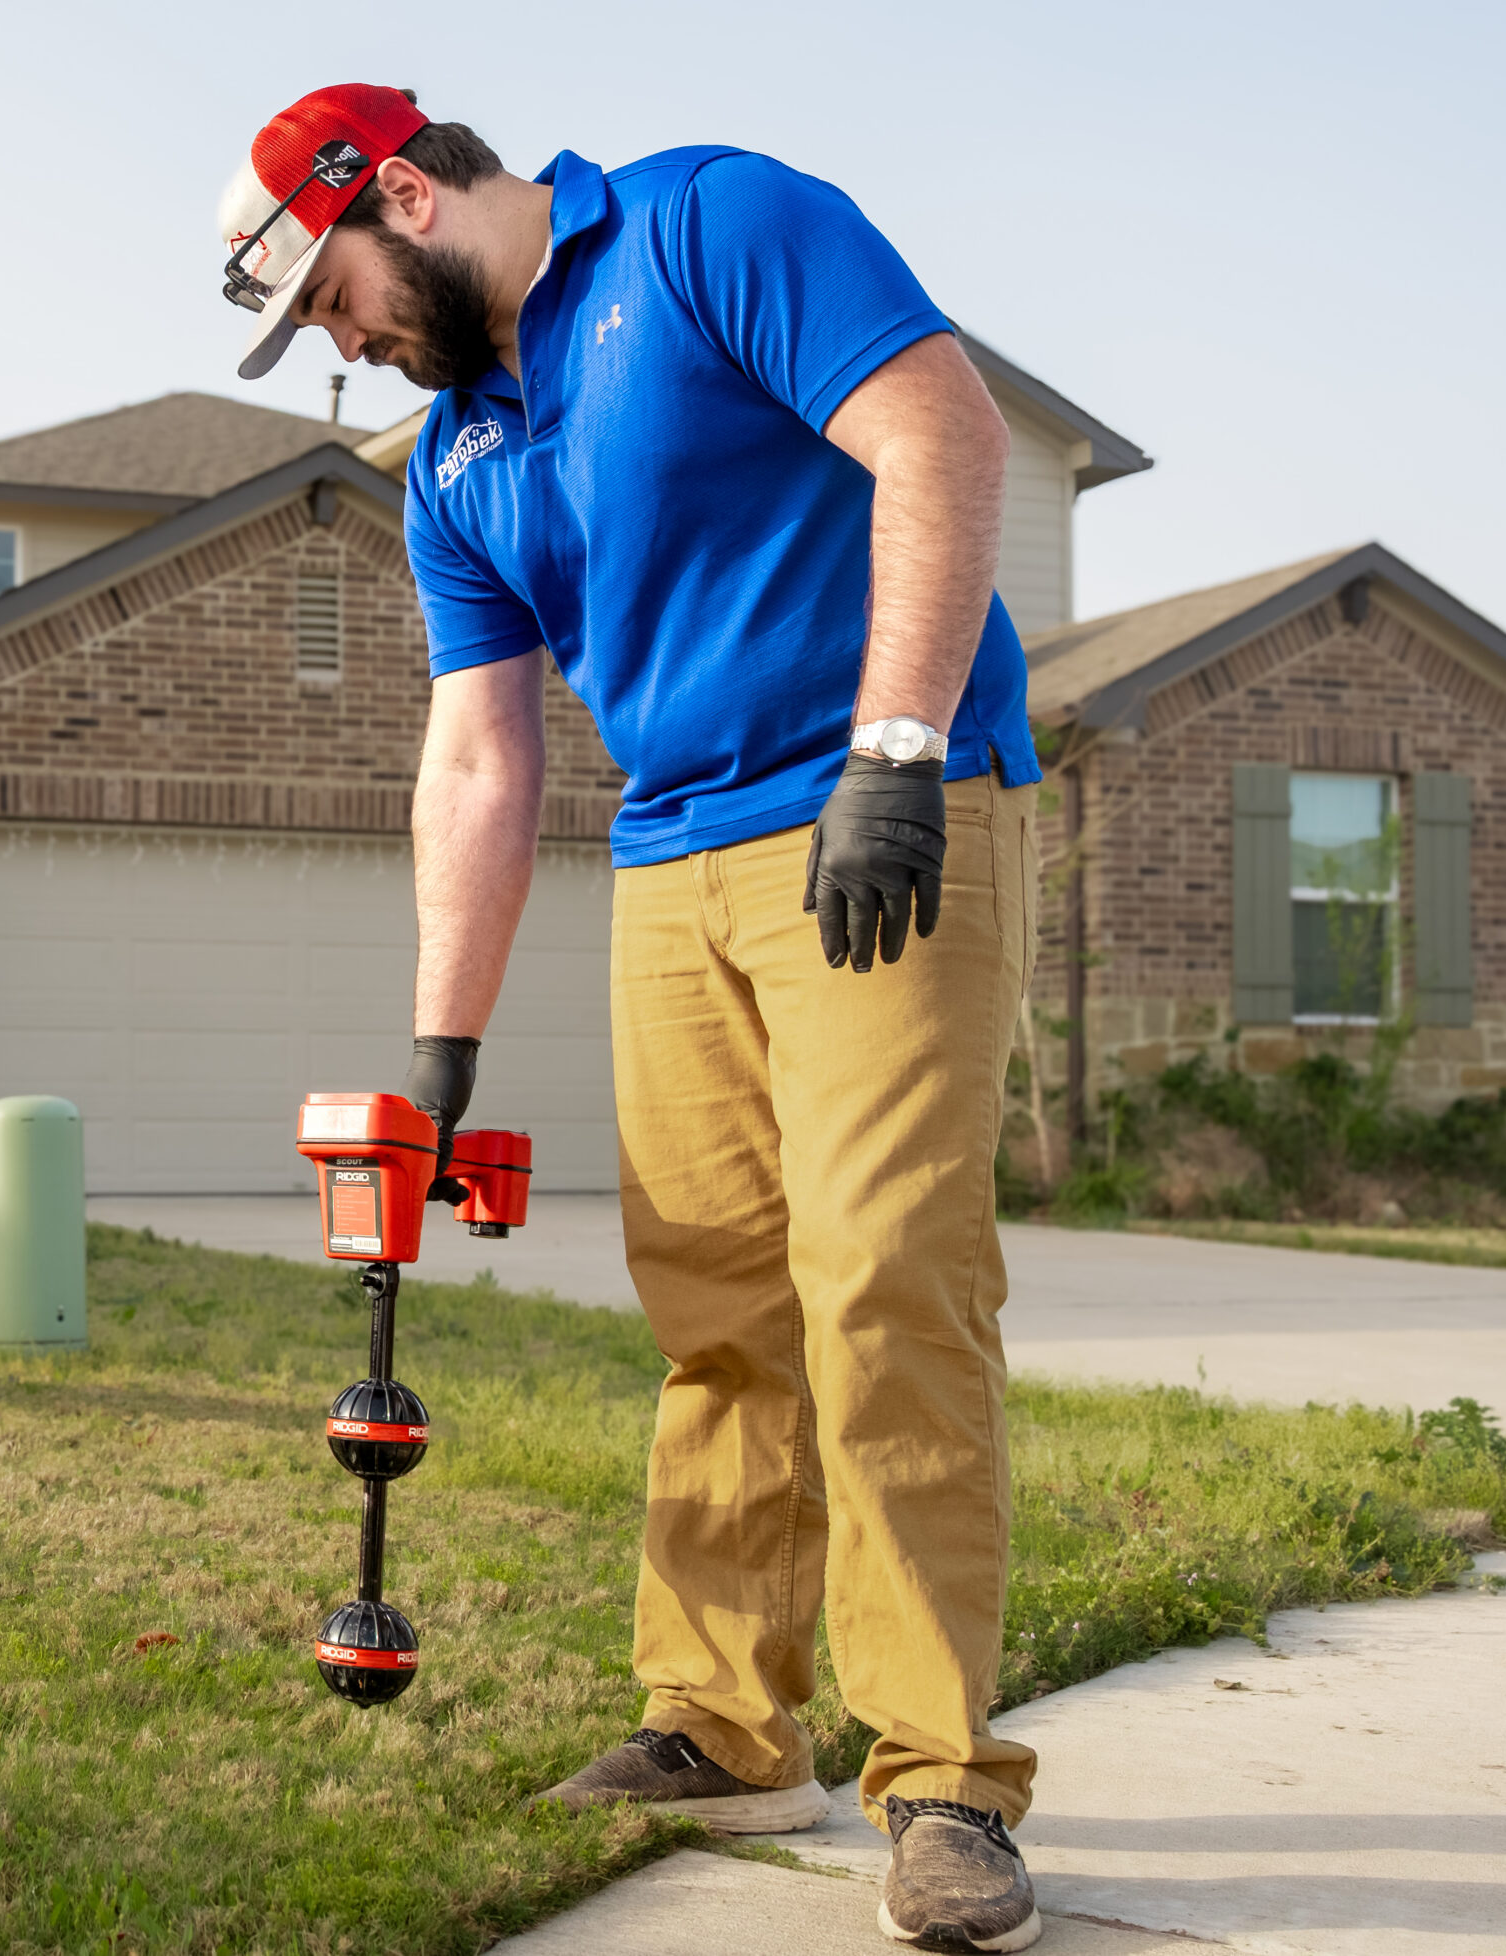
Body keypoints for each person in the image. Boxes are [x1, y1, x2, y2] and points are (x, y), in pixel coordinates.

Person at [217, 85, 1046, 1954]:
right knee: (717, 1305)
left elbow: (942, 432)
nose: (335, 349)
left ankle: (938, 1784)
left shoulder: (705, 227)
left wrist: (898, 746)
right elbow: (480, 746)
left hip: (880, 811)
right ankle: (727, 1721)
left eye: (331, 300)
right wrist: (445, 1045)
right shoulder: (453, 462)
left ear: (404, 199)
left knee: (886, 1279)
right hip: (674, 858)